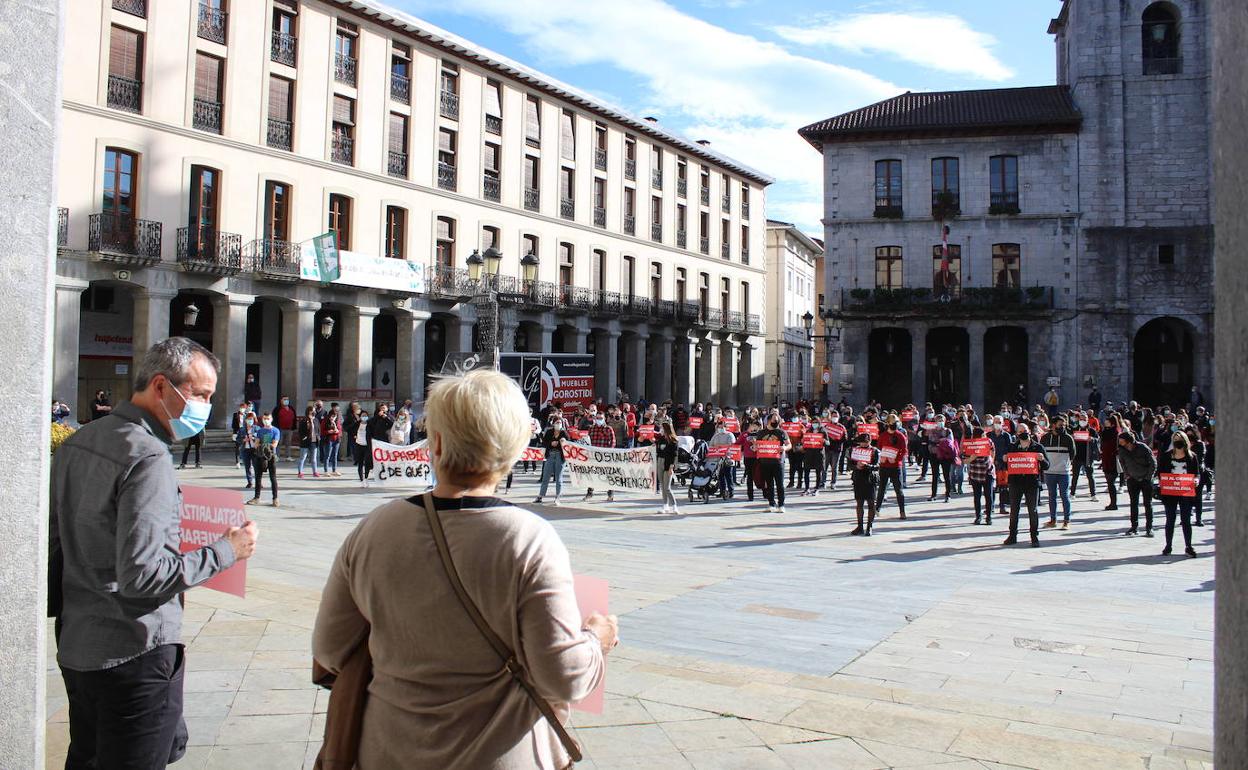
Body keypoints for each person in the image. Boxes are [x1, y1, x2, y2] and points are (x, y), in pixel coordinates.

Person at [312, 369, 617, 770]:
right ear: (515, 447)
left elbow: (330, 648)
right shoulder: (530, 539)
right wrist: (597, 638)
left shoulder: (374, 529)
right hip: (497, 757)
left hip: (389, 751)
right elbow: (564, 677)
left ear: (435, 442)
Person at [49, 337, 258, 768]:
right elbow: (144, 576)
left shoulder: (79, 441)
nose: (206, 406)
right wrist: (227, 550)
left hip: (79, 646)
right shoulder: (146, 456)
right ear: (161, 387)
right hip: (133, 652)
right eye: (200, 394)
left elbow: (57, 544)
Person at [1004, 426, 1049, 547]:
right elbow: (1005, 464)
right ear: (1016, 434)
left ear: (1029, 432)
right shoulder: (1012, 447)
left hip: (1032, 483)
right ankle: (1012, 535)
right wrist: (1004, 459)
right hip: (1015, 482)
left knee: (1032, 510)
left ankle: (1034, 537)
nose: (1023, 433)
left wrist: (1042, 459)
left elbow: (1047, 466)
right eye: (1020, 432)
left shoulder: (1038, 447)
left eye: (1024, 431)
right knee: (1014, 510)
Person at [1158, 431, 1199, 557]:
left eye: (1180, 438)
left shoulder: (1192, 457)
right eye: (1175, 439)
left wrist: (1196, 480)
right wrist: (1161, 482)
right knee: (1170, 519)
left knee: (1186, 520)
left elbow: (1196, 473)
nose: (1178, 441)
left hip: (1185, 492)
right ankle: (1168, 545)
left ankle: (1188, 546)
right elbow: (1160, 472)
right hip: (1170, 492)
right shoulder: (1166, 456)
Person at [1041, 414, 1076, 529]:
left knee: (1064, 495)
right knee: (1051, 496)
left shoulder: (1068, 438)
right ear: (1053, 425)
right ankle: (1053, 520)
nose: (1062, 427)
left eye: (1064, 425)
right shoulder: (1045, 438)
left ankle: (1066, 520)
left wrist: (1064, 463)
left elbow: (1073, 454)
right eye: (1060, 425)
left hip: (1063, 472)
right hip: (1049, 472)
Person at [752, 415, 791, 513]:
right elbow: (756, 446)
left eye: (777, 420)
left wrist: (784, 448)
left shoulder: (781, 432)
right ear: (768, 421)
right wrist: (754, 447)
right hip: (765, 462)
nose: (776, 421)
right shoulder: (761, 433)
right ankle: (771, 504)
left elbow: (789, 444)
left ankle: (781, 505)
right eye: (774, 420)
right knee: (769, 484)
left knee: (779, 484)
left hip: (778, 462)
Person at [875, 415, 907, 518]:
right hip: (884, 466)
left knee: (899, 490)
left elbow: (904, 451)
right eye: (893, 423)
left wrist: (897, 459)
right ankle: (877, 509)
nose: (894, 425)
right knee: (882, 488)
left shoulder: (900, 436)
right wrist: (881, 457)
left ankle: (902, 512)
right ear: (888, 423)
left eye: (896, 423)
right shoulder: (883, 435)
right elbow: (879, 449)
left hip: (895, 466)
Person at [582, 411, 617, 503]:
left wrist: (608, 453)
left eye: (601, 418)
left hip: (604, 456)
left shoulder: (609, 429)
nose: (599, 420)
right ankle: (589, 493)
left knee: (608, 475)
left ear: (604, 418)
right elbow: (587, 441)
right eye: (597, 418)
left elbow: (613, 442)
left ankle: (610, 494)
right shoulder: (591, 429)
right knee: (591, 474)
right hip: (593, 456)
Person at [849, 431, 880, 535]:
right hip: (858, 478)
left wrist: (867, 465)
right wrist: (856, 466)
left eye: (865, 442)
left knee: (871, 503)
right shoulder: (855, 451)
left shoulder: (875, 451)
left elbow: (878, 466)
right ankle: (860, 526)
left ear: (869, 442)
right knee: (859, 503)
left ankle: (869, 526)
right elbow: (850, 464)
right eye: (861, 442)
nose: (863, 444)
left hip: (870, 479)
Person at [533, 416, 568, 506]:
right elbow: (544, 443)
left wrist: (562, 442)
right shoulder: (549, 432)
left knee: (559, 478)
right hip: (550, 455)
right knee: (546, 477)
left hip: (560, 457)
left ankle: (557, 497)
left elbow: (568, 444)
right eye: (557, 422)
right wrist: (551, 443)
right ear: (553, 423)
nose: (558, 424)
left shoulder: (564, 432)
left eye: (560, 423)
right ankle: (540, 496)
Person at [964, 427, 996, 525]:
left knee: (988, 495)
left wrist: (990, 461)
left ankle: (989, 516)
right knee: (977, 496)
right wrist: (972, 458)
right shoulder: (970, 444)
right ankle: (978, 516)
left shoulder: (988, 442)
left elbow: (993, 453)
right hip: (975, 473)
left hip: (987, 472)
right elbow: (964, 460)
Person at [250, 412, 281, 506]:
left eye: (268, 418)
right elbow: (256, 444)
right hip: (260, 455)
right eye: (264, 419)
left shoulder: (275, 430)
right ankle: (256, 497)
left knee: (273, 477)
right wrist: (263, 445)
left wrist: (264, 445)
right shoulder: (260, 431)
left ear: (271, 419)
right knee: (258, 477)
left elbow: (274, 444)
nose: (266, 420)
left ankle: (275, 498)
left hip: (271, 456)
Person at [1070, 412, 1099, 501]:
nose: (1083, 421)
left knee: (1090, 476)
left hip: (1087, 456)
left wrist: (1092, 439)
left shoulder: (1091, 430)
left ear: (1087, 420)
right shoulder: (1074, 429)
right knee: (1075, 476)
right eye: (1081, 419)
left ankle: (1093, 494)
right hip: (1077, 456)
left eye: (1084, 419)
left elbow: (1098, 440)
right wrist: (1072, 437)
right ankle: (1072, 493)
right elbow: (1069, 439)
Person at [926, 415, 954, 502]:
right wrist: (940, 441)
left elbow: (950, 442)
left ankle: (948, 495)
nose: (940, 421)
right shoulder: (931, 431)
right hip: (934, 454)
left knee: (946, 475)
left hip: (945, 455)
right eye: (938, 420)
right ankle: (933, 495)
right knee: (935, 475)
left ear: (945, 421)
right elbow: (930, 441)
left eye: (941, 420)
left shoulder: (948, 431)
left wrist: (940, 441)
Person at [656, 421, 681, 514]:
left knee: (667, 487)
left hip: (668, 464)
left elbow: (674, 455)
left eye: (662, 428)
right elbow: (658, 450)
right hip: (660, 462)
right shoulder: (661, 439)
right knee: (662, 486)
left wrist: (671, 467)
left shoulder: (674, 441)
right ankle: (665, 505)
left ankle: (674, 506)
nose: (661, 430)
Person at [1100, 415, 1121, 511]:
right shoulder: (1105, 432)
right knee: (1109, 483)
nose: (1105, 422)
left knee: (1111, 482)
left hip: (1112, 459)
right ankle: (1112, 503)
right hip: (1106, 458)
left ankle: (1114, 503)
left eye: (1107, 421)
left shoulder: (1115, 433)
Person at [298, 405, 321, 479]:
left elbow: (318, 430)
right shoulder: (304, 420)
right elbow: (300, 431)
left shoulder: (316, 420)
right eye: (312, 411)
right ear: (308, 412)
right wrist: (303, 437)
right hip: (305, 442)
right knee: (303, 457)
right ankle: (300, 472)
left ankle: (315, 472)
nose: (313, 412)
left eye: (314, 411)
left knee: (314, 459)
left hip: (314, 441)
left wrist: (318, 437)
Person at [236, 410, 257, 489]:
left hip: (255, 449)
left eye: (251, 419)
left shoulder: (257, 428)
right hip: (246, 450)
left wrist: (254, 437)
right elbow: (238, 439)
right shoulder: (242, 429)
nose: (250, 421)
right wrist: (243, 440)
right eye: (248, 419)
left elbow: (261, 437)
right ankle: (250, 482)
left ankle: (258, 481)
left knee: (256, 466)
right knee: (247, 466)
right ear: (245, 420)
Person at [322, 403, 343, 476]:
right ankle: (326, 471)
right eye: (332, 416)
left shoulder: (337, 420)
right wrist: (328, 431)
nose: (333, 417)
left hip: (337, 439)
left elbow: (340, 429)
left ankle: (334, 470)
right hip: (329, 440)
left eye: (335, 416)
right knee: (327, 455)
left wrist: (338, 432)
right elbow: (322, 431)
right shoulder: (325, 420)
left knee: (335, 455)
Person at [274, 396, 297, 460]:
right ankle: (277, 456)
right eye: (284, 399)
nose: (286, 400)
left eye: (287, 399)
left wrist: (293, 427)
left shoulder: (291, 408)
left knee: (288, 443)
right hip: (280, 429)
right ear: (281, 400)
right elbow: (274, 419)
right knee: (279, 443)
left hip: (289, 429)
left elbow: (294, 418)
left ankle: (288, 456)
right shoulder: (277, 409)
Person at [355, 411, 373, 486]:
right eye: (363, 415)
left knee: (367, 463)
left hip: (367, 446)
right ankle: (362, 480)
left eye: (365, 415)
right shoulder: (357, 424)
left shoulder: (370, 424)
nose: (364, 417)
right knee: (360, 463)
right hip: (359, 445)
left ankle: (366, 478)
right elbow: (348, 427)